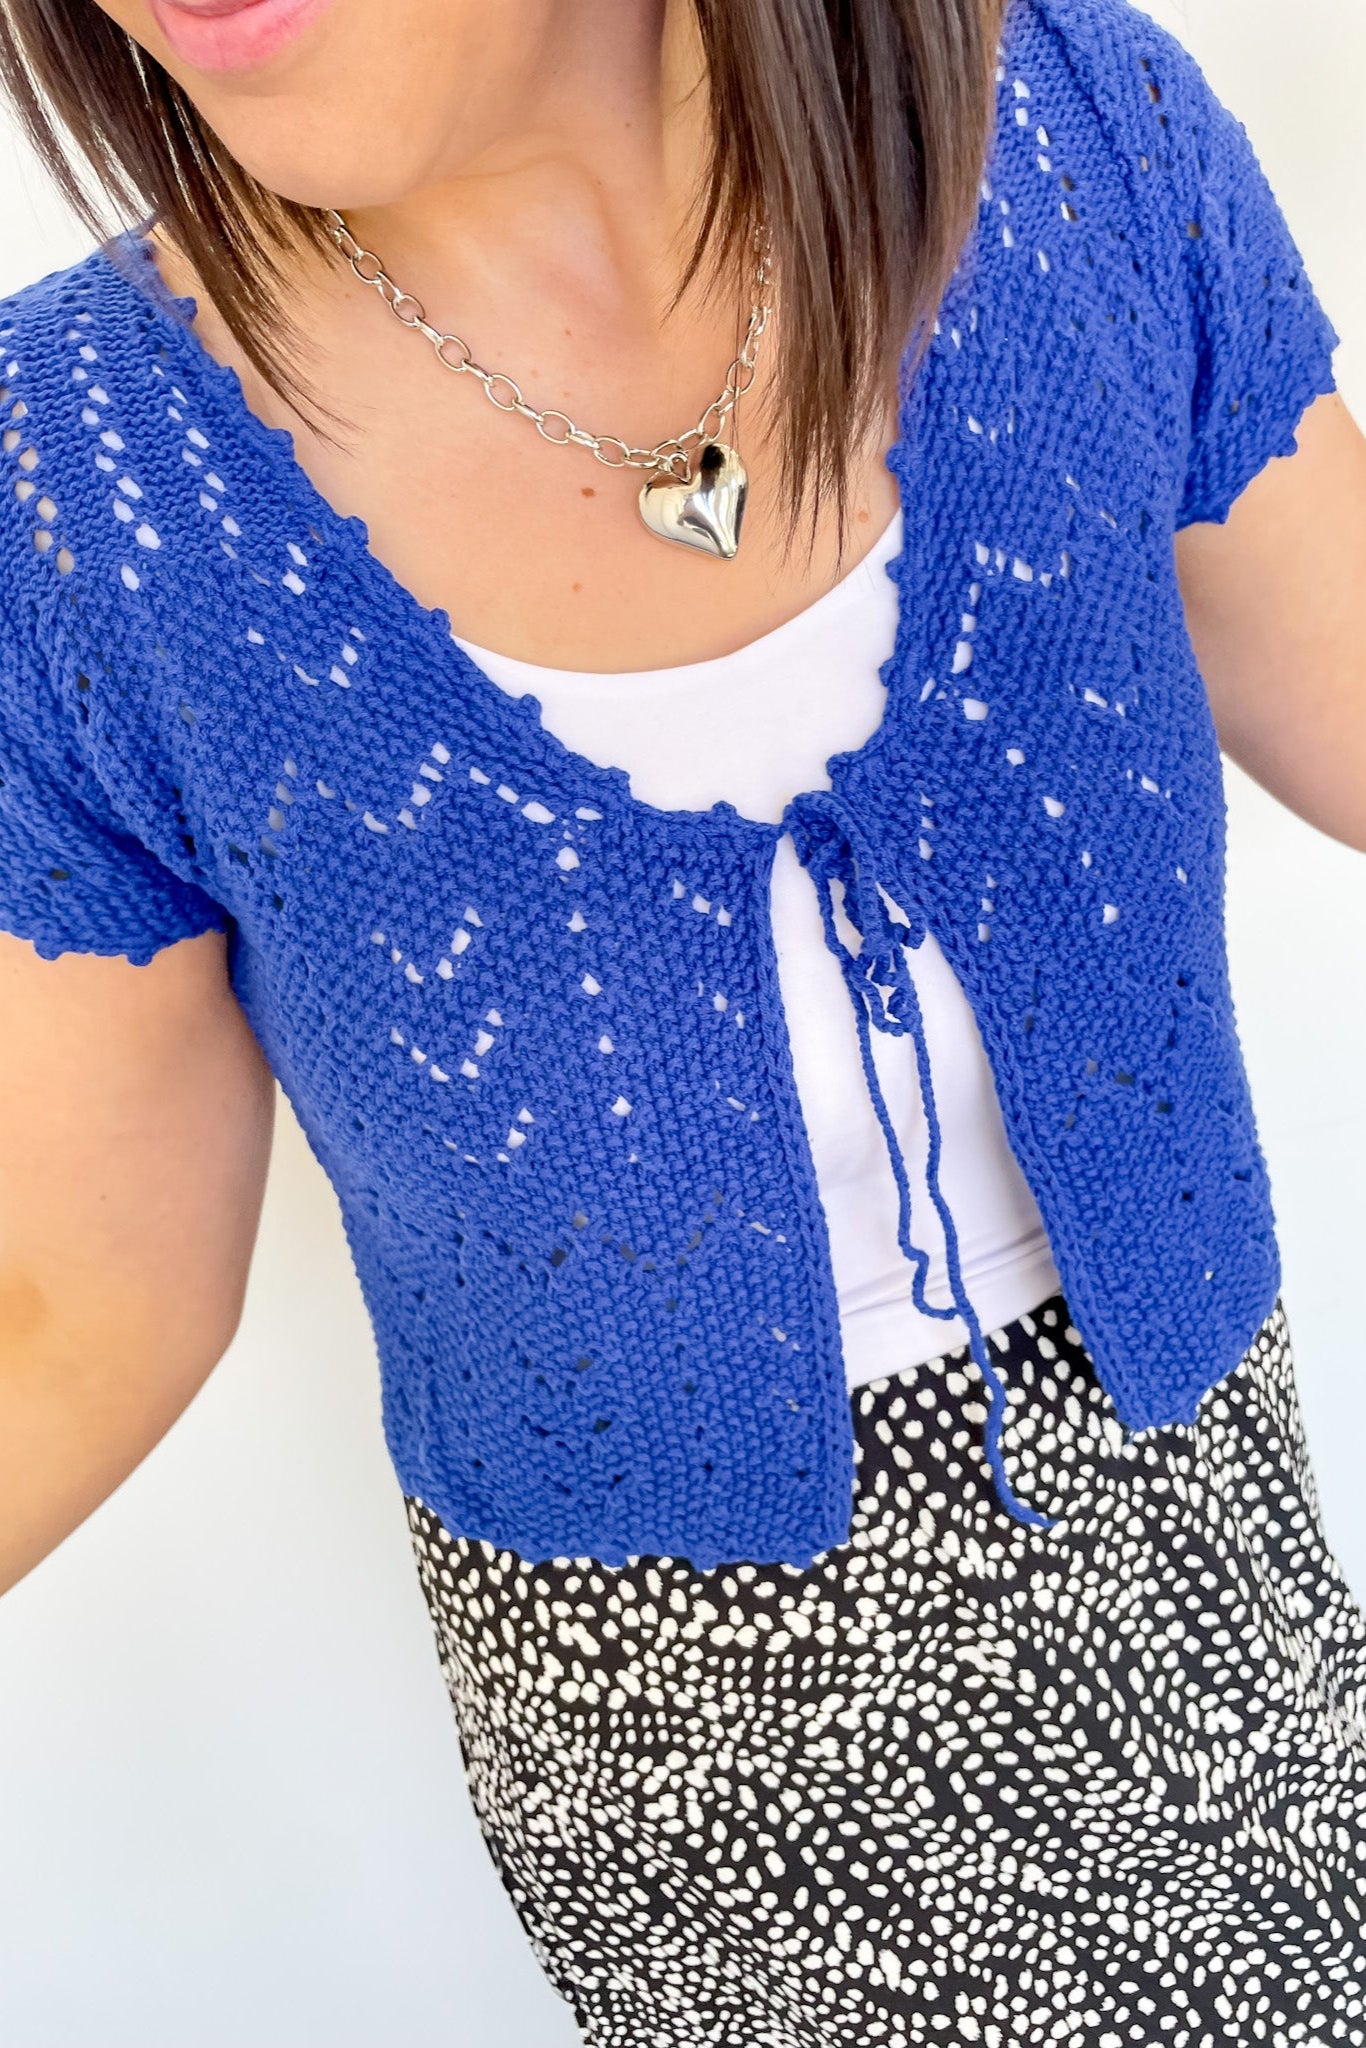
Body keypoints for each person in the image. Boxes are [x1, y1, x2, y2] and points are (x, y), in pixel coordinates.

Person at [2, 0, 1365, 2038]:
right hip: (684, 1810)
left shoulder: (1075, 135)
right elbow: (79, 1304)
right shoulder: (71, 496)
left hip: (1230, 1636)